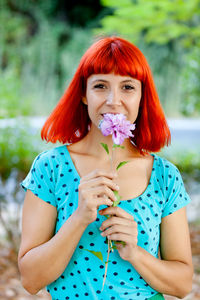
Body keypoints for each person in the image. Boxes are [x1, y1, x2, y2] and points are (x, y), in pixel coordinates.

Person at [18, 36, 193, 300]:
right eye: (100, 86)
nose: (113, 101)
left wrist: (135, 253)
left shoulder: (165, 176)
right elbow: (31, 280)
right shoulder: (50, 168)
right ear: (84, 94)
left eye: (128, 87)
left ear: (142, 97)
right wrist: (79, 219)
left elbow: (182, 285)